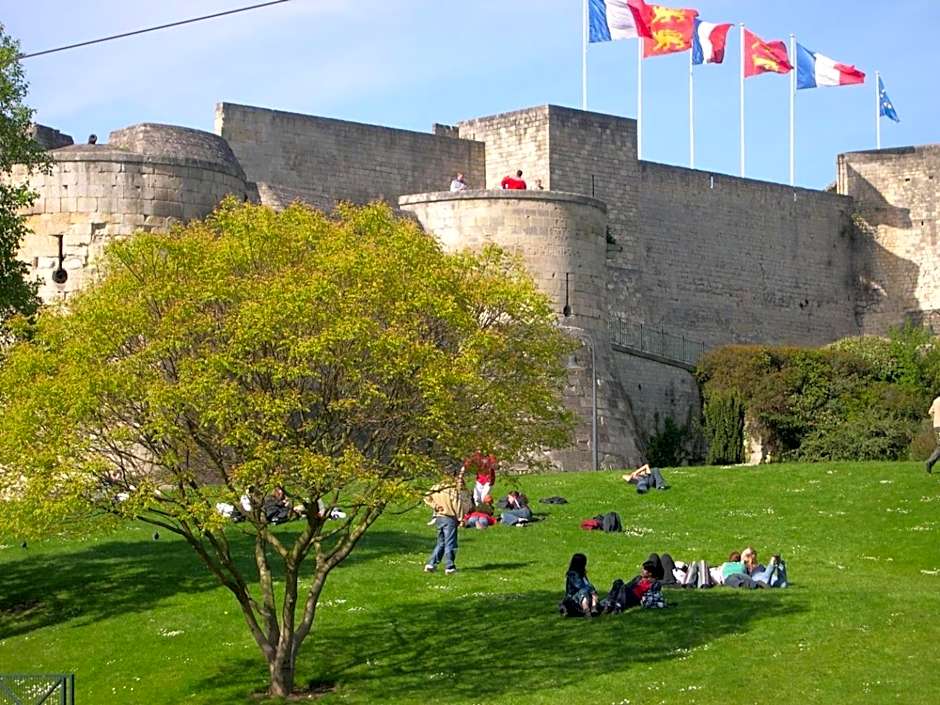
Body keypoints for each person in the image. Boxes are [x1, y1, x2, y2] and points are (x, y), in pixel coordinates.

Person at [424, 471, 472, 574]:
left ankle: (431, 564)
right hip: (449, 517)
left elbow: (426, 496)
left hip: (439, 517)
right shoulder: (451, 489)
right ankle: (450, 566)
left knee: (441, 542)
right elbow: (456, 504)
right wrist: (461, 518)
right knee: (451, 542)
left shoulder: (436, 487)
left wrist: (435, 506)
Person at [562, 553, 598, 617]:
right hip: (573, 598)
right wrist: (590, 588)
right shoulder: (572, 574)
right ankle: (587, 612)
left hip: (584, 595)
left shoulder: (582, 573)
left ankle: (593, 607)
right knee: (584, 592)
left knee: (592, 592)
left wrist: (590, 588)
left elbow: (587, 584)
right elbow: (579, 586)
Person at [926, 393, 940, 473]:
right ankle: (930, 462)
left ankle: (930, 462)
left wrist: (934, 419)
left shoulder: (936, 400)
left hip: (937, 426)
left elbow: (930, 412)